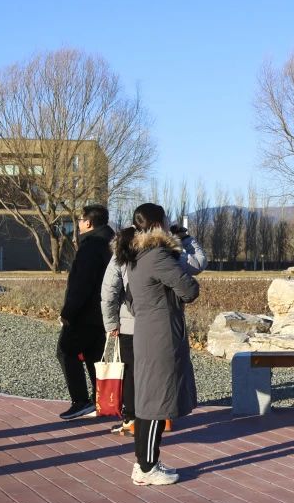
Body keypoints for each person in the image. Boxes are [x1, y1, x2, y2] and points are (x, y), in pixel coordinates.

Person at [112, 203, 199, 485]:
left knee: (151, 399)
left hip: (148, 332)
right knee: (155, 403)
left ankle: (145, 463)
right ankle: (147, 467)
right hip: (161, 336)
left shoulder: (135, 255)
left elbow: (130, 300)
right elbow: (190, 290)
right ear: (158, 224)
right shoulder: (157, 255)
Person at [100, 221, 205, 436]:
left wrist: (111, 323)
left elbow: (110, 289)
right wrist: (186, 239)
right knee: (160, 375)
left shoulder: (124, 250)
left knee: (133, 375)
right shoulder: (165, 253)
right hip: (161, 324)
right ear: (157, 226)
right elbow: (197, 263)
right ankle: (163, 418)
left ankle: (134, 420)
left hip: (130, 323)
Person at [56, 204, 115, 419]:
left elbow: (82, 284)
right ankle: (100, 400)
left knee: (65, 351)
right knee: (93, 356)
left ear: (88, 222)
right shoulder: (111, 243)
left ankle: (80, 401)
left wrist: (68, 312)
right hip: (102, 312)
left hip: (85, 313)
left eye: (80, 220)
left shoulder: (91, 245)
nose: (79, 224)